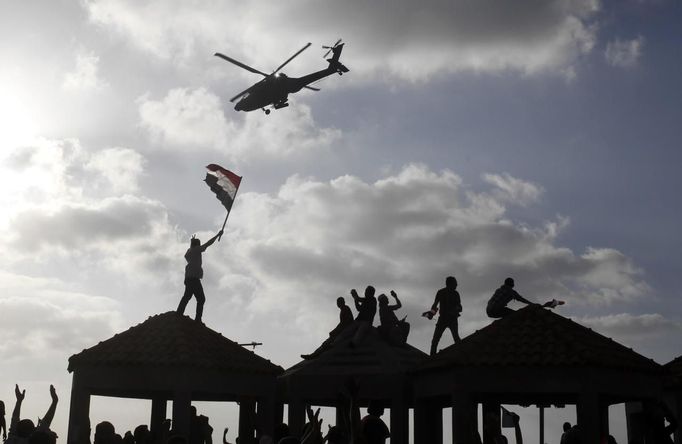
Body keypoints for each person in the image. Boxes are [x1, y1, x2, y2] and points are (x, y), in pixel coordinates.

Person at [177, 230, 223, 323]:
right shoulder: (196, 250)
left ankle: (179, 313)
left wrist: (192, 242)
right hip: (194, 278)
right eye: (199, 244)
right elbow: (208, 244)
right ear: (197, 245)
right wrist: (217, 235)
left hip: (188, 278)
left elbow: (194, 247)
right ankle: (198, 319)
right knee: (201, 299)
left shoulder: (188, 253)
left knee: (187, 296)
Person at [425, 276, 462, 356]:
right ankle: (432, 358)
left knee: (456, 338)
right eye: (455, 284)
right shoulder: (441, 292)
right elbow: (435, 305)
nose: (456, 285)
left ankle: (461, 355)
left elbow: (460, 307)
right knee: (435, 340)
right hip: (443, 319)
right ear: (450, 284)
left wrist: (455, 310)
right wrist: (431, 313)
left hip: (452, 318)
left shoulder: (455, 294)